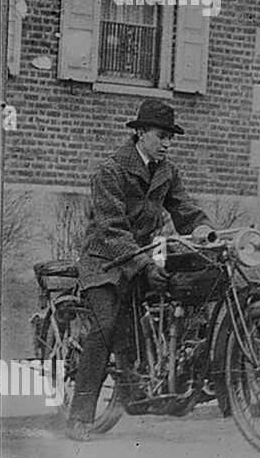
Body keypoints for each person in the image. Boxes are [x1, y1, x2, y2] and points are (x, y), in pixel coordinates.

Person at [66, 99, 212, 440]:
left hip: (142, 256)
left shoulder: (167, 170)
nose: (166, 143)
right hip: (105, 261)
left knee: (168, 307)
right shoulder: (112, 169)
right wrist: (143, 262)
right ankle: (79, 417)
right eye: (161, 135)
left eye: (170, 137)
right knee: (104, 328)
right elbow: (110, 228)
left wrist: (202, 227)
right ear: (141, 133)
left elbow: (184, 208)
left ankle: (160, 385)